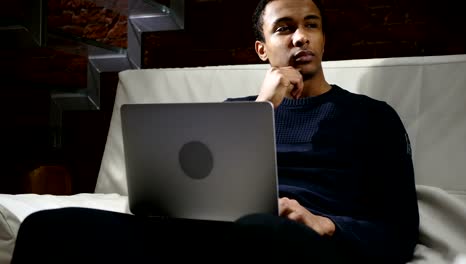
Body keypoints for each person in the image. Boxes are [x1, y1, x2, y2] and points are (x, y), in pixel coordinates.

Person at [11, 0, 419, 263]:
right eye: (283, 28)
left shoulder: (372, 117)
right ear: (262, 49)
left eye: (311, 25)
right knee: (45, 229)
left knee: (259, 230)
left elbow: (399, 231)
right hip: (205, 238)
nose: (300, 37)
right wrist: (265, 107)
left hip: (291, 240)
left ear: (323, 38)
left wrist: (328, 225)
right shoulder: (234, 114)